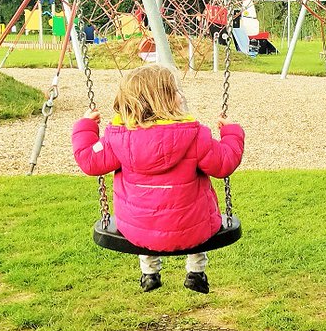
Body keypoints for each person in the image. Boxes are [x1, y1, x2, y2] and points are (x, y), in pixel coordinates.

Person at [72, 64, 245, 294]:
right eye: (176, 91)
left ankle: (150, 274)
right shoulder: (195, 135)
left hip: (137, 230)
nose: (180, 95)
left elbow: (89, 160)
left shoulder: (117, 138)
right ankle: (196, 273)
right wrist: (231, 133)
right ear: (167, 100)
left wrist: (86, 127)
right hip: (192, 228)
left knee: (146, 228)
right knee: (198, 223)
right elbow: (225, 163)